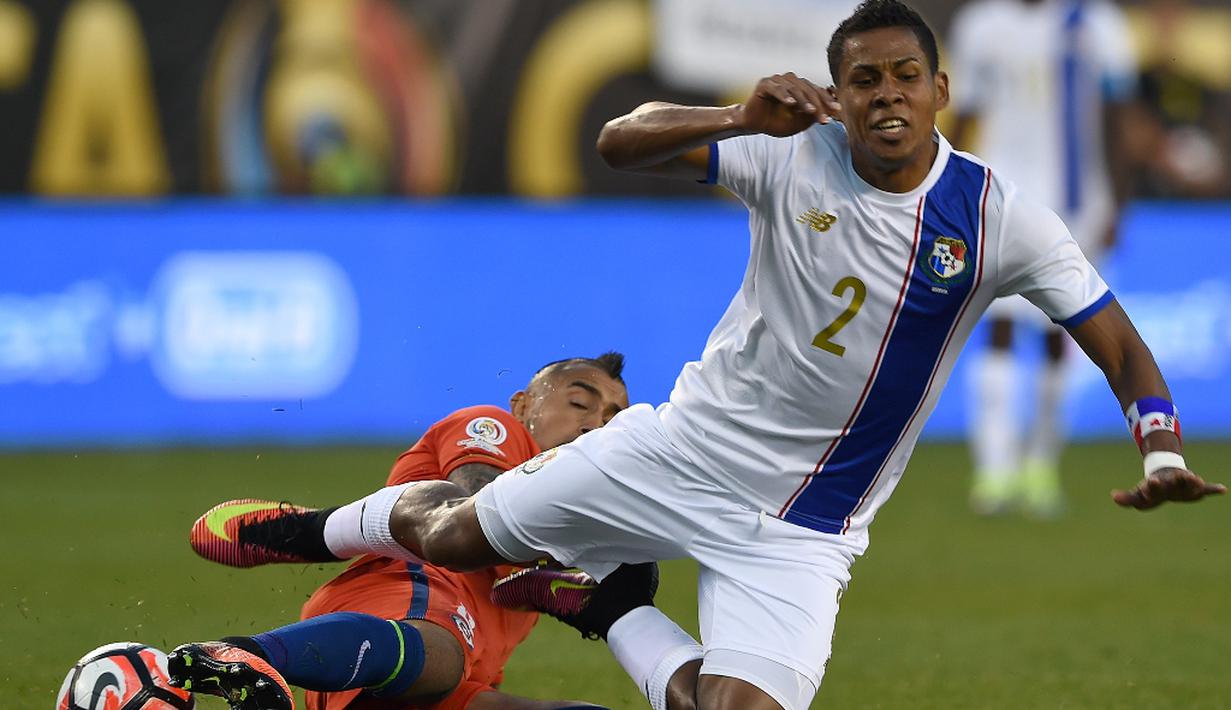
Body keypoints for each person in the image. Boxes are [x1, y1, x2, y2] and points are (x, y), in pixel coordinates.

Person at [193, 3, 1225, 709]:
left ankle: (601, 601)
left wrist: (1159, 451)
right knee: (457, 534)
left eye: (904, 75)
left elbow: (1116, 338)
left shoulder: (999, 215)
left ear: (940, 87)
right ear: (836, 93)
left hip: (807, 530)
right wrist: (738, 113)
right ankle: (305, 528)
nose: (884, 96)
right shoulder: (789, 153)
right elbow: (616, 138)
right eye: (861, 80)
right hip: (678, 451)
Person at [169, 353, 643, 710]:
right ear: (522, 405)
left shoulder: (578, 512)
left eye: (611, 419)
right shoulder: (497, 428)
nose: (594, 424)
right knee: (441, 655)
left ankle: (321, 531)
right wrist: (565, 577)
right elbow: (477, 504)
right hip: (407, 596)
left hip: (451, 672)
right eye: (580, 402)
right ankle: (241, 655)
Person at [947, 0, 1140, 516]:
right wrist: (941, 194)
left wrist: (1119, 200)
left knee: (1065, 333)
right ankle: (993, 470)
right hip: (1002, 195)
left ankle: (1040, 465)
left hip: (1078, 201)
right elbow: (965, 114)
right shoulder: (982, 24)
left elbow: (1118, 116)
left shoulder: (1097, 22)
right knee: (1000, 326)